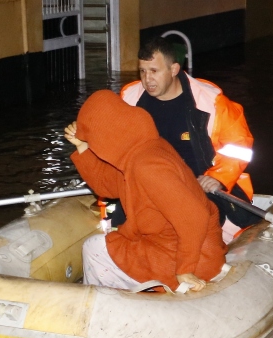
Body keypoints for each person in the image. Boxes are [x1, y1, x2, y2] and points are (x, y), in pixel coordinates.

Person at [65, 90, 225, 292]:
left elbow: (193, 216)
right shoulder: (143, 151)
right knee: (115, 241)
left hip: (187, 259)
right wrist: (82, 146)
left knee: (95, 248)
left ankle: (103, 309)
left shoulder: (147, 166)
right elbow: (107, 187)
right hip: (175, 246)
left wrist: (185, 268)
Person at [120, 35, 260, 242]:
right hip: (150, 187)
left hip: (201, 186)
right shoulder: (129, 98)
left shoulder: (211, 102)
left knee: (195, 224)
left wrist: (218, 177)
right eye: (142, 71)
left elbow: (239, 146)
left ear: (174, 69)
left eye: (154, 71)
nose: (147, 79)